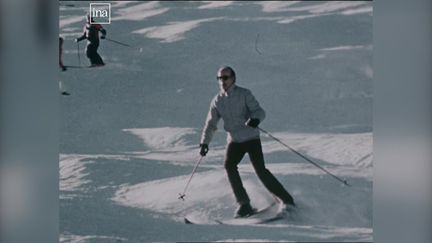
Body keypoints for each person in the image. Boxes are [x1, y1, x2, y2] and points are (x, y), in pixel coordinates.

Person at [199, 66, 295, 218]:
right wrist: (204, 143)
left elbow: (259, 111)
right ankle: (244, 204)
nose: (222, 81)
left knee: (260, 170)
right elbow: (211, 124)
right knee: (229, 165)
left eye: (225, 77)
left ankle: (287, 201)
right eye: (219, 78)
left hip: (251, 138)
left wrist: (255, 119)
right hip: (235, 140)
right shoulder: (217, 100)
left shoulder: (244, 94)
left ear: (233, 78)